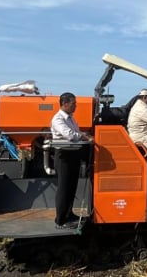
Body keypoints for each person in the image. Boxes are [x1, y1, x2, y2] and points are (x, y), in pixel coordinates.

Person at [51, 92, 94, 229]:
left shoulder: (71, 119)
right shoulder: (58, 119)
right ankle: (60, 220)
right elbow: (70, 135)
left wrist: (84, 134)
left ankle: (69, 214)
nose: (75, 106)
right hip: (64, 155)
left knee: (72, 186)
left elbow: (77, 132)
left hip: (72, 154)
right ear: (64, 104)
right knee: (64, 188)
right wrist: (86, 138)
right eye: (73, 103)